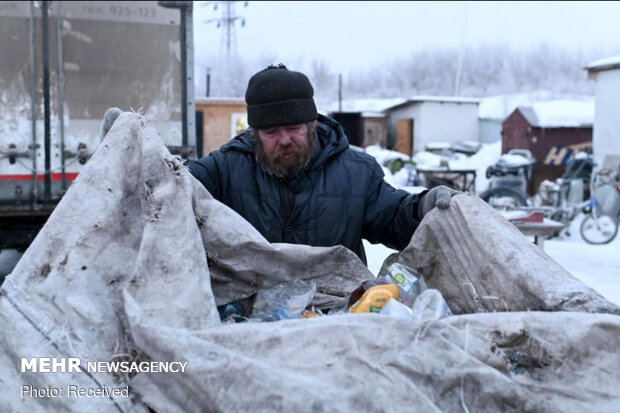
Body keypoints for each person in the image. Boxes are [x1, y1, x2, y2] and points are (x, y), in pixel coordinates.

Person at [101, 64, 459, 264]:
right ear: (254, 132)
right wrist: (131, 153)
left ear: (311, 125)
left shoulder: (356, 172)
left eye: (294, 128)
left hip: (340, 319)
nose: (285, 139)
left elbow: (394, 217)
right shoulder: (225, 169)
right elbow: (172, 190)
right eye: (271, 131)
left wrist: (423, 207)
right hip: (252, 319)